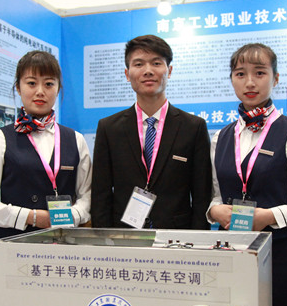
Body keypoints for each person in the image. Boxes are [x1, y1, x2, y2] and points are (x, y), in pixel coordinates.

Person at [207, 43, 287, 306]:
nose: (249, 82)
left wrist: (270, 216)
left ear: (275, 78)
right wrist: (213, 211)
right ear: (232, 79)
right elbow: (214, 195)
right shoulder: (221, 136)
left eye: (259, 73)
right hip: (230, 250)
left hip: (277, 252)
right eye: (240, 74)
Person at [91, 35, 212, 229]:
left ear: (169, 71)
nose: (148, 71)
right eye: (139, 64)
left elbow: (201, 195)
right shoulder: (109, 128)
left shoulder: (193, 127)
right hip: (123, 235)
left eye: (156, 63)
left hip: (176, 236)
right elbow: (100, 195)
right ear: (127, 74)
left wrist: (198, 240)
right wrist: (103, 239)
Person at [0, 50, 91, 239]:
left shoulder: (76, 139)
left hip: (63, 243)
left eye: (49, 84)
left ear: (58, 88)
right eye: (32, 83)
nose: (40, 91)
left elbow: (87, 196)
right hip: (13, 244)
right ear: (18, 87)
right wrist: (30, 217)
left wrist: (72, 215)